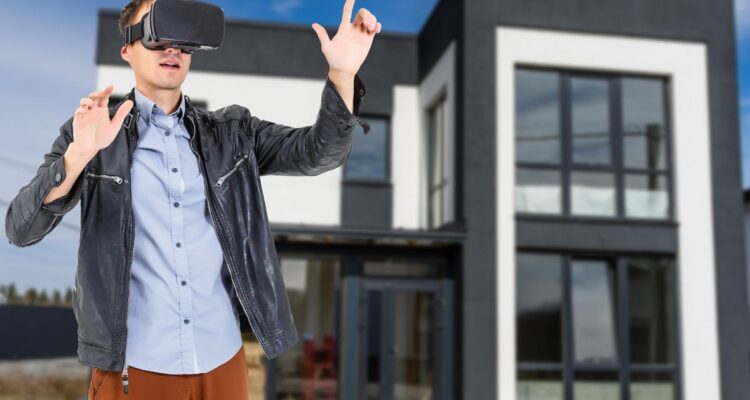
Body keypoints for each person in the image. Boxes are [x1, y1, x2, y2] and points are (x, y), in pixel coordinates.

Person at [4, 0, 380, 398]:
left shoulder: (232, 134)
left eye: (182, 39)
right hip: (136, 366)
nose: (172, 49)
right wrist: (78, 156)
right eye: (157, 34)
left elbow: (320, 153)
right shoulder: (92, 135)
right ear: (127, 49)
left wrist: (343, 73)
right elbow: (20, 229)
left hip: (222, 362)